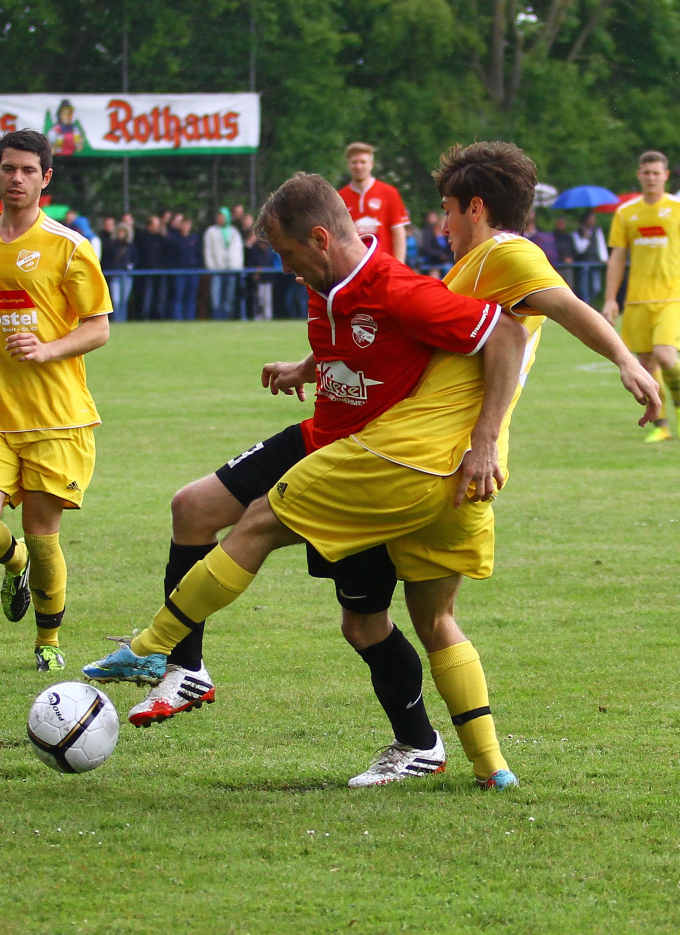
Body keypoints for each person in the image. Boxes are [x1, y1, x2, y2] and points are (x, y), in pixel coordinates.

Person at [84, 146, 659, 790]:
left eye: (445, 210)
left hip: (402, 456)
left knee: (267, 528)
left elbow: (545, 313)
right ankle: (491, 767)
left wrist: (626, 361)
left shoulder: (504, 254)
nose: (439, 225)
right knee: (431, 617)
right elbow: (417, 340)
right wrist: (310, 368)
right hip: (457, 474)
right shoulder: (461, 272)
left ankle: (151, 648)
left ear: (476, 207)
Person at [0, 128, 111, 672]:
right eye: (9, 168)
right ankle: (11, 563)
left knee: (43, 535)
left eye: (28, 170)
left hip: (57, 417)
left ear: (46, 178)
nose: (18, 178)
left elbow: (99, 327)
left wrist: (49, 348)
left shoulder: (69, 245)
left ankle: (48, 643)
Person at [603, 150, 680, 443]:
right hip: (636, 300)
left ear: (666, 176)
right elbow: (618, 257)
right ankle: (662, 426)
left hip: (672, 297)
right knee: (647, 364)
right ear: (639, 175)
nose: (651, 178)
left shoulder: (676, 208)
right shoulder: (627, 213)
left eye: (656, 173)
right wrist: (611, 299)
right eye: (646, 173)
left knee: (665, 355)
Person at [338, 143, 409, 262]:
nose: (358, 166)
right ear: (348, 165)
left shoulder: (389, 192)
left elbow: (398, 232)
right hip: (354, 267)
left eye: (363, 162)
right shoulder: (340, 197)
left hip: (384, 264)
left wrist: (400, 264)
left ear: (371, 164)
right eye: (354, 162)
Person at [204, 208, 244, 320]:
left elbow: (238, 251)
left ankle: (226, 317)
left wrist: (237, 266)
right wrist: (211, 267)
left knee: (229, 296)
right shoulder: (211, 231)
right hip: (217, 269)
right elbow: (208, 250)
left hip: (231, 269)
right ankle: (216, 317)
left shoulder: (234, 232)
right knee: (216, 296)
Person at [167, 217, 202, 321]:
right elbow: (172, 256)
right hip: (179, 272)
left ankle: (190, 318)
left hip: (193, 272)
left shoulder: (194, 238)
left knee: (191, 297)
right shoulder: (175, 239)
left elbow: (199, 254)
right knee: (178, 296)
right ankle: (178, 319)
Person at [571, 211, 608, 304]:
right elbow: (580, 249)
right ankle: (586, 306)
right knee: (584, 289)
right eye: (591, 219)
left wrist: (604, 258)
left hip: (595, 262)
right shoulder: (577, 232)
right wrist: (586, 238)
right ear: (586, 221)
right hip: (582, 264)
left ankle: (589, 304)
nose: (593, 221)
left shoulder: (597, 230)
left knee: (596, 288)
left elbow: (601, 245)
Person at [102, 223, 136, 322]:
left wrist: (130, 266)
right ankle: (117, 320)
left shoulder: (130, 246)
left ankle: (123, 319)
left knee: (124, 300)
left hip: (126, 275)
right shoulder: (112, 245)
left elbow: (135, 258)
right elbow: (107, 259)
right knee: (116, 300)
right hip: (115, 274)